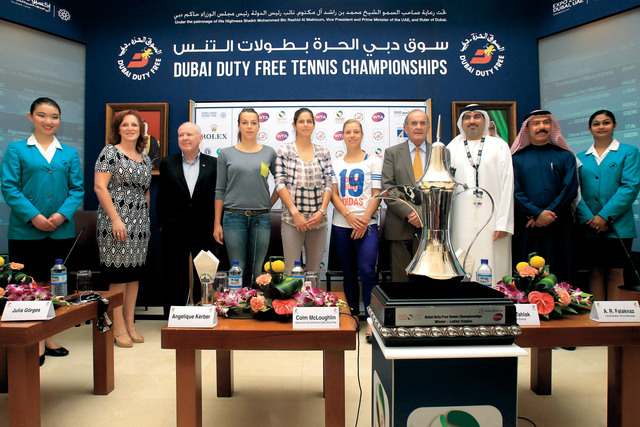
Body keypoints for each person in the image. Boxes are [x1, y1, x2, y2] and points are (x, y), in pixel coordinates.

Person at [1, 97, 83, 364]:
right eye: (42, 115)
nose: (48, 121)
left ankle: (48, 337)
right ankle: (32, 341)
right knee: (27, 284)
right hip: (26, 231)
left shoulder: (68, 153)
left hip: (60, 230)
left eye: (54, 117)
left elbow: (77, 190)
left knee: (53, 285)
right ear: (30, 116)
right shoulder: (16, 149)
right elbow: (9, 188)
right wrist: (34, 216)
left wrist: (60, 215)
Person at [94, 109, 151, 348]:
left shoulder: (145, 158)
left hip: (139, 224)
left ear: (141, 130)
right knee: (118, 276)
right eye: (125, 125)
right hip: (115, 220)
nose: (130, 129)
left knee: (133, 276)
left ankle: (130, 324)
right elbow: (100, 187)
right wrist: (116, 219)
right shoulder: (110, 152)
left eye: (134, 125)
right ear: (118, 128)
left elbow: (146, 192)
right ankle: (117, 326)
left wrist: (146, 221)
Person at [575, 110, 640, 300]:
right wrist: (590, 218)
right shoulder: (580, 157)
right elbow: (575, 191)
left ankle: (614, 316)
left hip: (618, 225)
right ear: (589, 129)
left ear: (615, 125)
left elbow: (630, 187)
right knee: (594, 271)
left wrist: (604, 216)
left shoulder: (629, 152)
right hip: (589, 226)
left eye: (606, 122)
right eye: (596, 124)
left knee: (615, 272)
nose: (601, 127)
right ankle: (596, 316)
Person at [447, 104, 514, 282]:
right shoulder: (451, 148)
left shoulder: (500, 147)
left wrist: (504, 224)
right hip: (460, 220)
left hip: (493, 220)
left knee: (494, 262)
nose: (472, 121)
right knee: (462, 261)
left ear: (485, 120)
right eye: (467, 117)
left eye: (477, 116)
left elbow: (508, 185)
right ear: (461, 122)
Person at [157, 122, 218, 316]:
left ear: (200, 138)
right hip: (174, 228)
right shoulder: (168, 163)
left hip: (205, 227)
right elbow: (162, 196)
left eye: (189, 134)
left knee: (204, 274)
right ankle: (174, 316)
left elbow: (218, 196)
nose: (185, 138)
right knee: (174, 274)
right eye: (181, 135)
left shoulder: (214, 164)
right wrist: (162, 224)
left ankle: (205, 313)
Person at [511, 110, 578, 282]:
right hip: (527, 225)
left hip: (559, 223)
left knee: (560, 271)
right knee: (527, 274)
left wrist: (547, 214)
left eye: (546, 122)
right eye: (536, 123)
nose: (542, 127)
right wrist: (536, 213)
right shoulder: (515, 158)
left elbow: (569, 189)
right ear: (526, 129)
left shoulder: (565, 156)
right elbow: (514, 190)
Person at [331, 119, 382, 341]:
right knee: (349, 272)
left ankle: (371, 320)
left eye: (356, 132)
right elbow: (333, 194)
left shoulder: (374, 161)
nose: (352, 135)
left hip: (367, 225)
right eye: (348, 132)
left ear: (362, 135)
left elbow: (377, 194)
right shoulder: (335, 163)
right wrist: (349, 216)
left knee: (368, 272)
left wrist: (364, 219)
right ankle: (352, 315)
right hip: (342, 225)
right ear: (342, 136)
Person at [214, 108, 278, 284]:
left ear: (258, 126)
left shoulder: (269, 153)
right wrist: (217, 223)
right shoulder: (226, 154)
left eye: (253, 122)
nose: (249, 126)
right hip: (233, 218)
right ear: (239, 126)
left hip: (261, 219)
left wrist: (268, 204)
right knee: (238, 270)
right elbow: (219, 190)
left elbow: (281, 183)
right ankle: (238, 302)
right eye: (245, 122)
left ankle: (256, 302)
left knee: (257, 271)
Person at [275, 108, 333, 274]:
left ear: (314, 125)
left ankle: (312, 294)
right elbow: (280, 183)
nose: (305, 125)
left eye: (309, 121)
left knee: (313, 272)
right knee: (291, 272)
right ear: (294, 125)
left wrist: (322, 211)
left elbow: (328, 183)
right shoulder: (285, 150)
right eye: (301, 121)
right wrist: (295, 213)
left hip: (318, 221)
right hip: (292, 220)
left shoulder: (323, 152)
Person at [381, 109, 432, 282]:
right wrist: (410, 213)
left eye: (422, 123)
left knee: (426, 282)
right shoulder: (392, 153)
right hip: (399, 226)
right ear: (405, 128)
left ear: (428, 127)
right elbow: (388, 188)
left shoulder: (440, 153)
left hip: (429, 229)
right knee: (400, 283)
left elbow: (442, 190)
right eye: (413, 123)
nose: (418, 127)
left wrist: (423, 214)